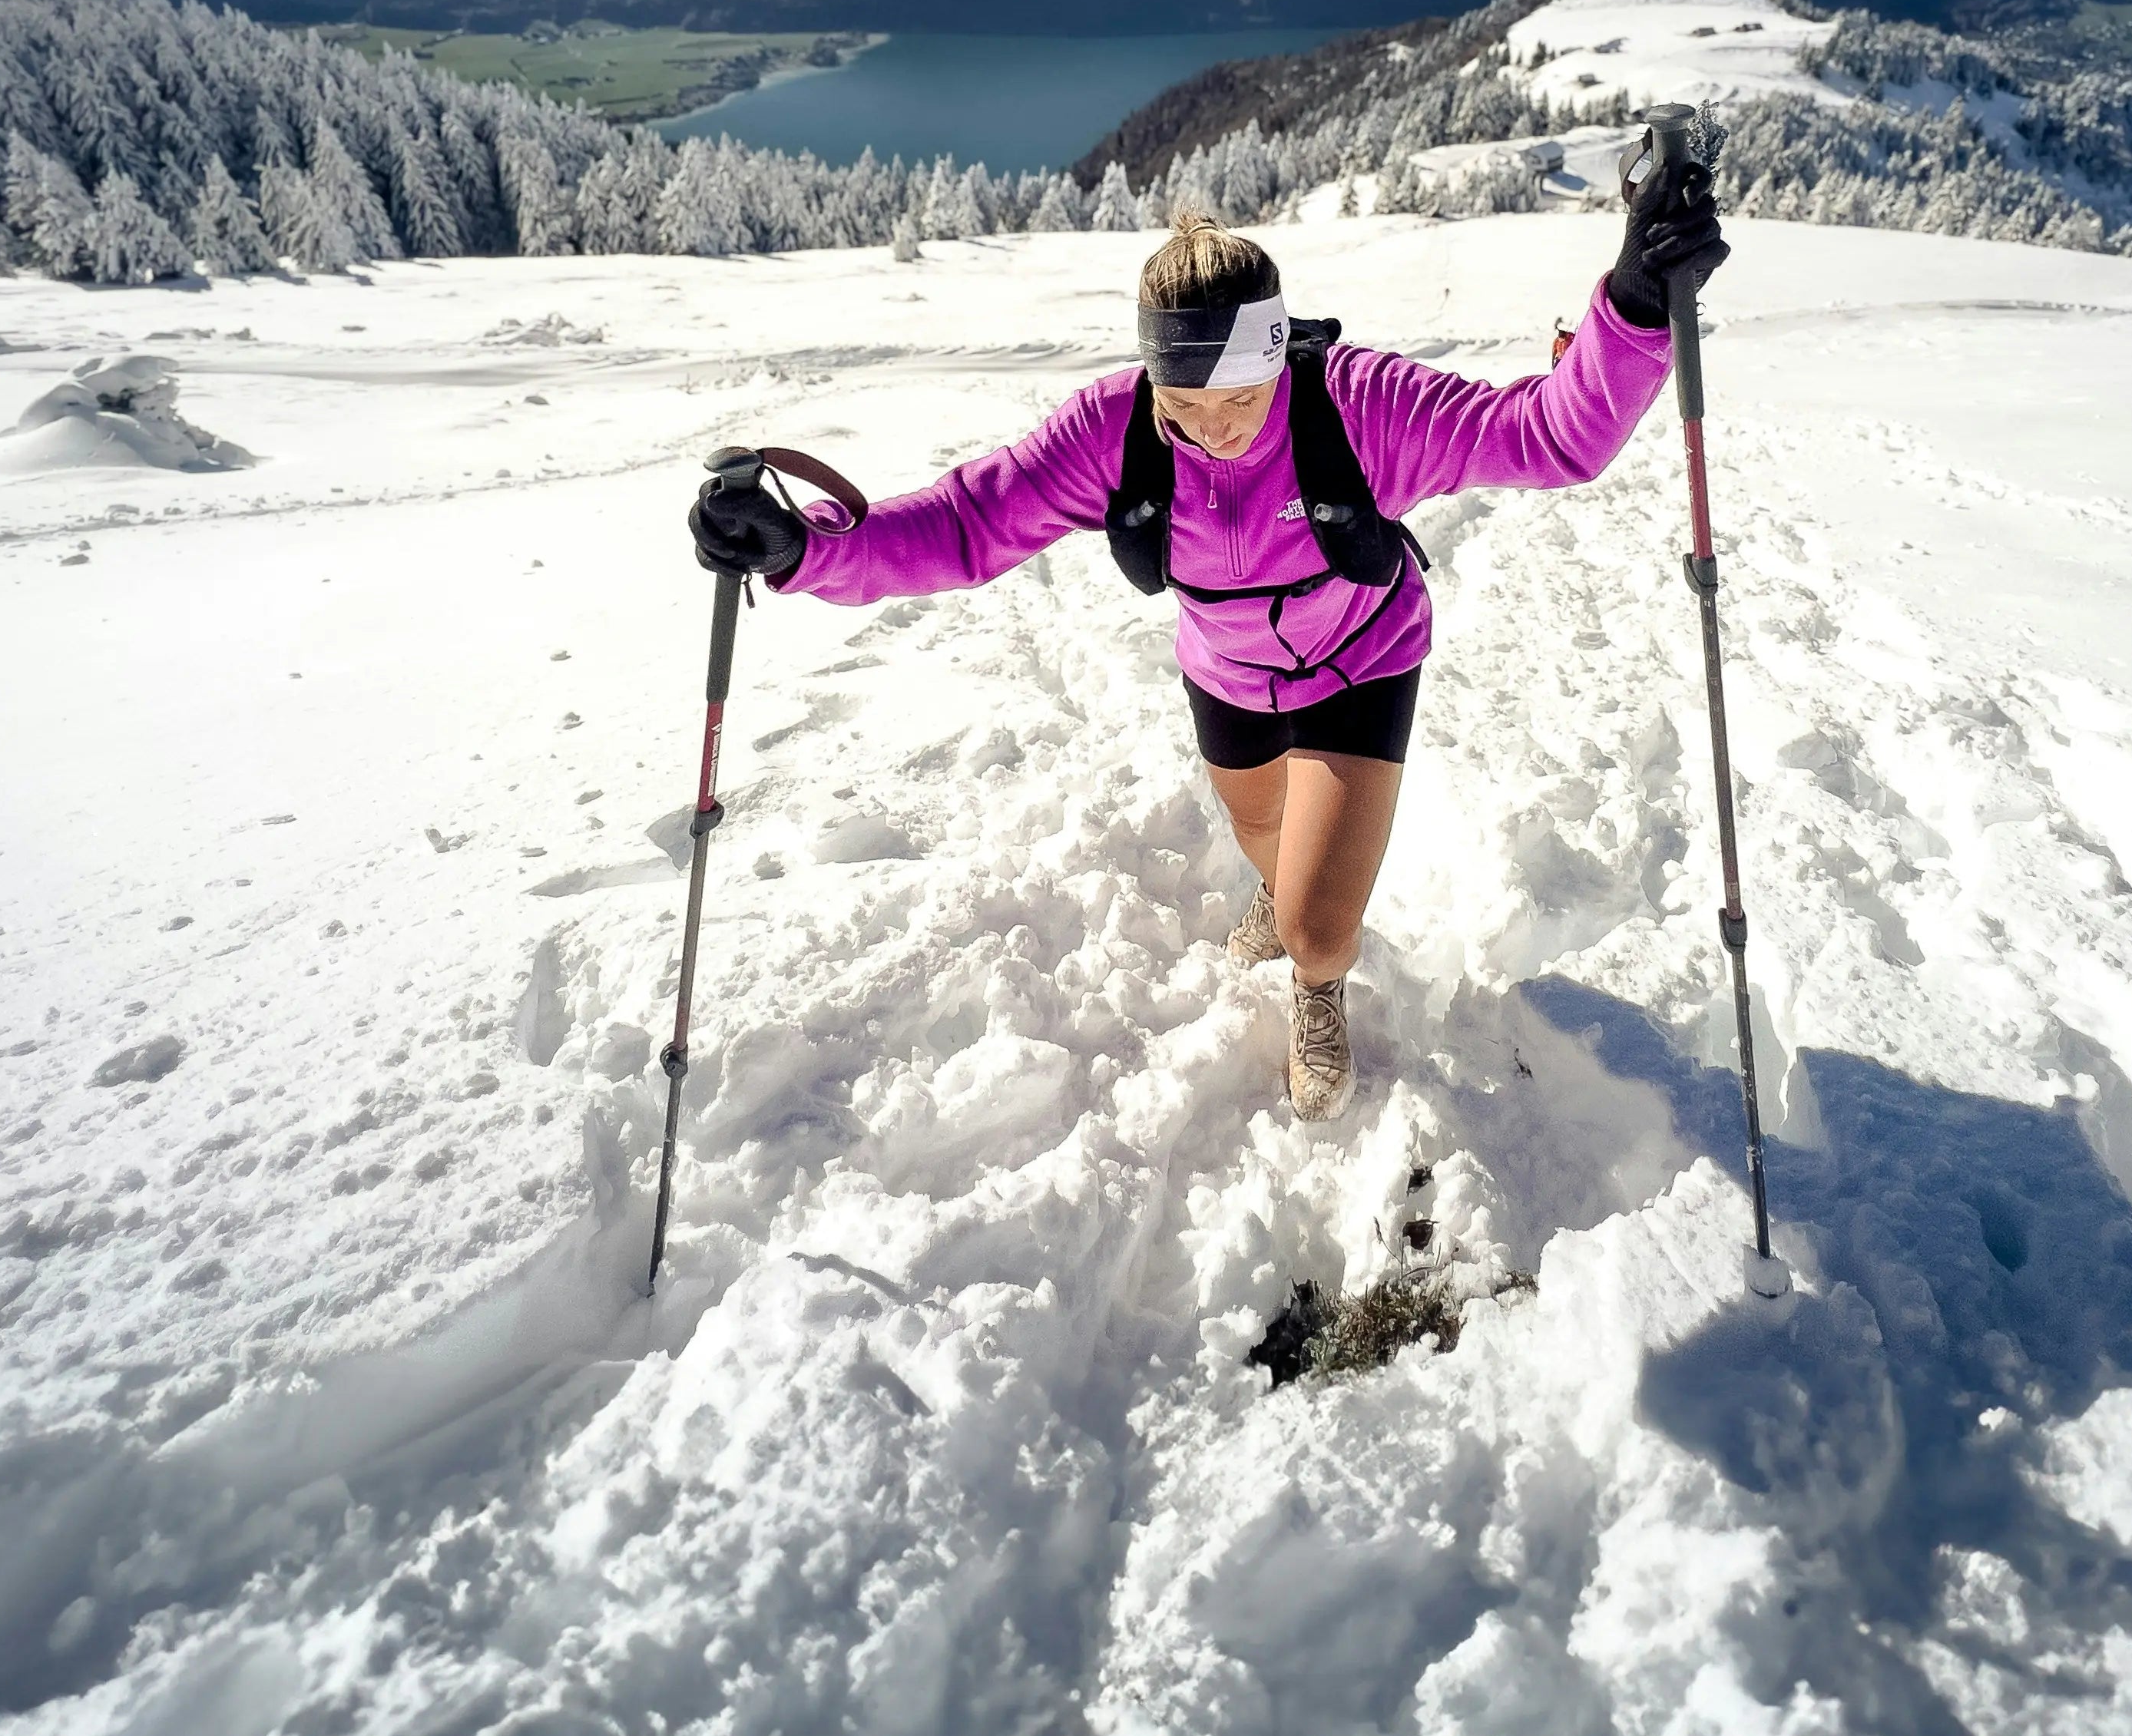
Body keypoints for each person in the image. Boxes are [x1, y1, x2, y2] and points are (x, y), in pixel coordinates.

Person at [691, 140, 1726, 1121]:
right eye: (1183, 399)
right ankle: (1283, 885)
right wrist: (799, 549)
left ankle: (1318, 985)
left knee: (1315, 924)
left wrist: (1634, 304)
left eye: (1239, 395)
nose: (1212, 425)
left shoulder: (1356, 408)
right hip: (1225, 675)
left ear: (1279, 353)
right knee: (1265, 843)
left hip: (1358, 660)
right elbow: (967, 524)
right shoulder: (1115, 429)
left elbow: (1547, 434)